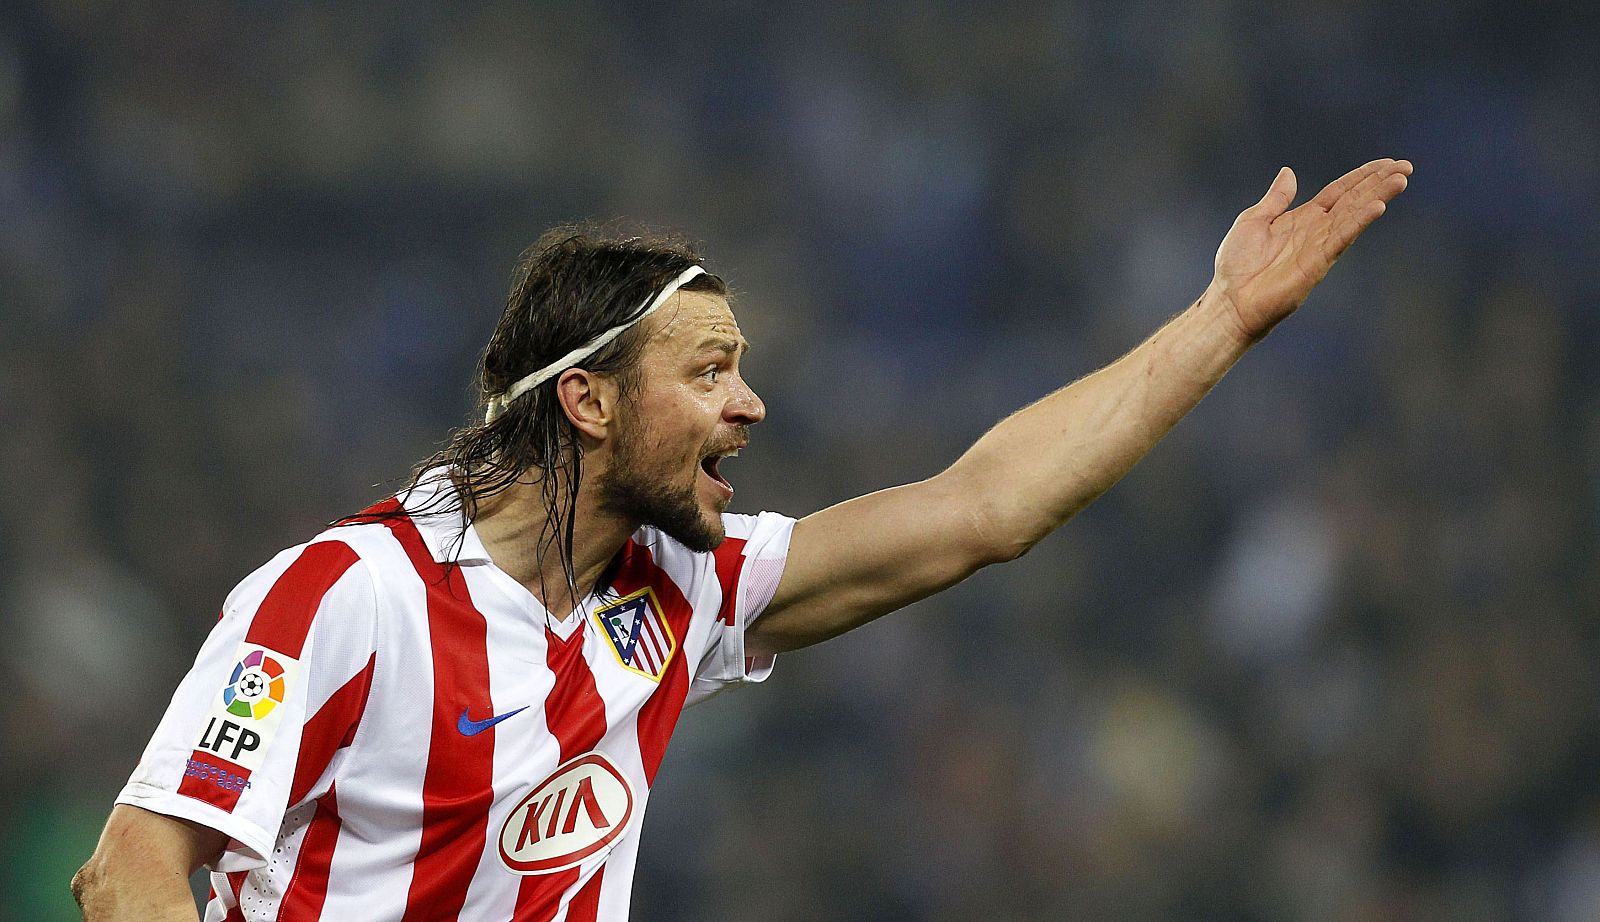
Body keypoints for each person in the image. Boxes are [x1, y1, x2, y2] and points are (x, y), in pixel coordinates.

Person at [72, 158, 1411, 921]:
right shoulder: (344, 598)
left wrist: (1220, 323)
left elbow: (982, 508)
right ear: (587, 400)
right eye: (709, 371)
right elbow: (131, 867)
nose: (751, 404)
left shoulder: (678, 590)